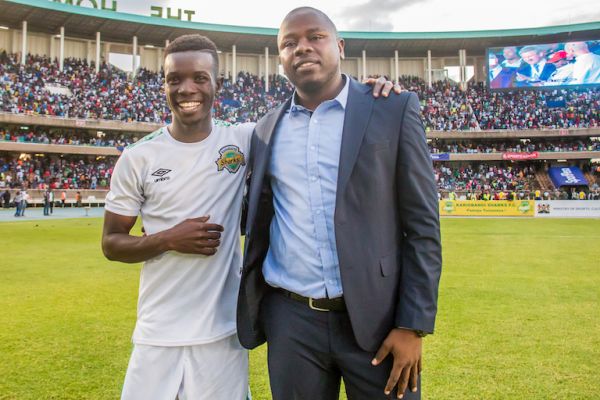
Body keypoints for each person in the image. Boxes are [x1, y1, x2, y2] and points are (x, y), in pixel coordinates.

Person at [102, 34, 398, 400]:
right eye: (173, 80)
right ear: (163, 84)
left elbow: (306, 118)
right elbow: (111, 243)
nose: (186, 89)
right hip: (157, 330)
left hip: (223, 331)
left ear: (217, 84)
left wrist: (369, 92)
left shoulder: (245, 139)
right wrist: (166, 239)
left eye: (199, 77)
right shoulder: (137, 158)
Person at [237, 7, 442, 400]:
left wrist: (412, 325)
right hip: (291, 322)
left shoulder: (393, 108)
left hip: (378, 321)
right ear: (279, 58)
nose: (302, 48)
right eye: (289, 43)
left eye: (316, 37)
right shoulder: (265, 130)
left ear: (340, 46)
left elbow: (423, 228)